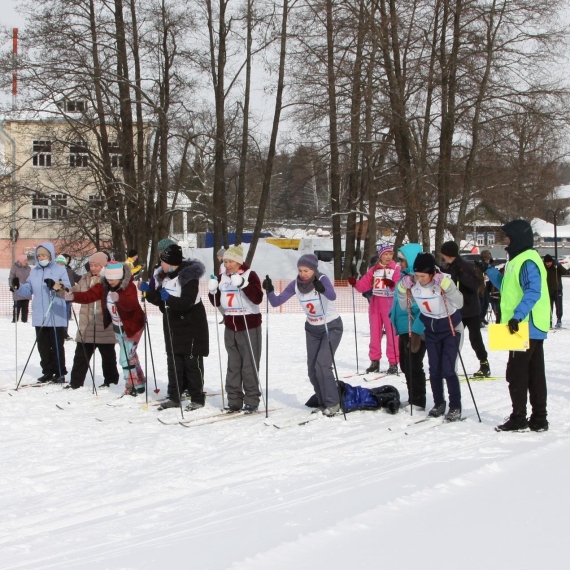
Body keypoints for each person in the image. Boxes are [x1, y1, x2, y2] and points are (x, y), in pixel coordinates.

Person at [476, 220, 550, 432]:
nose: (506, 241)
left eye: (508, 237)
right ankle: (539, 418)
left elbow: (533, 291)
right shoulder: (517, 261)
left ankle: (519, 417)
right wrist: (488, 270)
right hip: (526, 325)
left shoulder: (527, 261)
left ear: (518, 237)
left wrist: (517, 316)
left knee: (516, 373)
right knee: (535, 372)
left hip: (523, 325)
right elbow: (507, 287)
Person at [264, 254, 344, 416]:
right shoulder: (296, 284)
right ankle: (323, 402)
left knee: (322, 365)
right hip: (312, 329)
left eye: (306, 270)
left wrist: (322, 288)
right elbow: (276, 302)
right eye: (300, 270)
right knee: (312, 370)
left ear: (314, 269)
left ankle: (333, 403)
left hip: (331, 326)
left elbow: (332, 296)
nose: (303, 274)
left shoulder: (321, 278)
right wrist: (270, 291)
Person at [142, 245, 209, 411]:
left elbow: (186, 302)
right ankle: (174, 396)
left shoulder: (188, 278)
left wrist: (169, 299)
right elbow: (161, 301)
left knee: (191, 364)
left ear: (172, 262)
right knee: (174, 363)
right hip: (172, 326)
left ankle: (197, 398)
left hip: (191, 327)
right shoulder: (165, 277)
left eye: (164, 261)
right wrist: (149, 293)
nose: (161, 264)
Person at [398, 253, 464, 422]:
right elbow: (405, 305)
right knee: (434, 370)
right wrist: (402, 289)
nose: (420, 279)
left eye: (423, 276)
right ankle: (439, 403)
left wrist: (447, 286)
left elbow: (460, 302)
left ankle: (455, 406)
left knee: (448, 369)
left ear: (432, 273)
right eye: (417, 275)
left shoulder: (443, 280)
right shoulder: (414, 284)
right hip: (432, 331)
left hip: (451, 329)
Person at [66, 262, 146, 396]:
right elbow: (89, 295)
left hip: (132, 327)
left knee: (125, 357)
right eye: (108, 278)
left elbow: (131, 305)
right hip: (118, 327)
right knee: (130, 355)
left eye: (113, 279)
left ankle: (130, 386)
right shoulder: (104, 286)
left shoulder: (128, 286)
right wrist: (74, 297)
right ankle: (139, 382)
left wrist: (119, 299)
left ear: (120, 277)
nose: (110, 281)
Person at [208, 244, 263, 413]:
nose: (227, 265)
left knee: (249, 364)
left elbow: (258, 298)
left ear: (239, 262)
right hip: (230, 324)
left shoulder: (249, 274)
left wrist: (244, 285)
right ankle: (234, 399)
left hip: (248, 323)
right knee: (233, 364)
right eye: (225, 262)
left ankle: (252, 399)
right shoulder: (222, 276)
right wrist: (212, 291)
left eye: (231, 261)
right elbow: (217, 302)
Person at [12, 243, 71, 383]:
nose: (41, 257)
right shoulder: (34, 271)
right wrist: (18, 286)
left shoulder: (60, 270)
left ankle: (59, 372)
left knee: (56, 345)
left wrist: (55, 285)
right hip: (40, 315)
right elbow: (28, 290)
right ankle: (47, 371)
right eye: (39, 256)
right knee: (43, 346)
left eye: (44, 255)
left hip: (56, 314)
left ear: (50, 255)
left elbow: (68, 290)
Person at [66, 252, 120, 390]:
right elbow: (74, 291)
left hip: (104, 325)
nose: (93, 268)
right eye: (91, 265)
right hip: (86, 325)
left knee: (108, 357)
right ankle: (75, 383)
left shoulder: (109, 279)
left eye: (97, 265)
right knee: (80, 357)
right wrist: (59, 289)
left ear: (103, 266)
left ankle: (111, 381)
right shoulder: (85, 278)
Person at [440, 241, 490, 378]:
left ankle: (484, 363)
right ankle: (449, 365)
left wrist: (461, 275)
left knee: (475, 338)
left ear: (449, 254)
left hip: (470, 309)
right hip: (455, 310)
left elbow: (475, 286)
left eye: (444, 254)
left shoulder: (465, 266)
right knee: (452, 338)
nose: (443, 257)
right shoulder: (449, 267)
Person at [348, 244, 400, 375]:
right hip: (375, 304)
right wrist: (355, 283)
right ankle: (374, 361)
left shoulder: (396, 269)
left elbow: (400, 287)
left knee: (392, 334)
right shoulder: (374, 270)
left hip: (389, 304)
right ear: (380, 255)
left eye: (390, 254)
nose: (388, 257)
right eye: (385, 254)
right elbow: (364, 285)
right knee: (375, 333)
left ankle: (393, 362)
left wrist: (392, 285)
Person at [389, 244, 427, 411]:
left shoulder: (419, 278)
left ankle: (418, 400)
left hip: (416, 328)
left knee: (414, 364)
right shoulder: (403, 277)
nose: (400, 263)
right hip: (404, 327)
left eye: (402, 260)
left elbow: (424, 307)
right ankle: (413, 397)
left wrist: (418, 331)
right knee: (405, 365)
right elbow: (398, 300)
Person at [543, 254, 568, 328]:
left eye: (549, 262)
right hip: (548, 291)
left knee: (559, 306)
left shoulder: (556, 267)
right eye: (546, 262)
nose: (548, 264)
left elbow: (565, 272)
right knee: (548, 307)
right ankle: (549, 320)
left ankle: (559, 320)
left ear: (552, 261)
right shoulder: (544, 268)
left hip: (557, 290)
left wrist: (559, 266)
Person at [9, 254, 31, 323]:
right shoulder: (14, 267)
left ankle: (24, 320)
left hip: (27, 289)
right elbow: (11, 278)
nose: (26, 261)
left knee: (25, 307)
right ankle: (15, 320)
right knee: (17, 306)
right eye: (25, 260)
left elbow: (31, 278)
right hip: (17, 289)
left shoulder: (28, 268)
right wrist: (11, 286)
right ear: (21, 260)